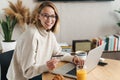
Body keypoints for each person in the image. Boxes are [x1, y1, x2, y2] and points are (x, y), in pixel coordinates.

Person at [7, 1, 84, 80]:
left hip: (37, 74)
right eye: (46, 15)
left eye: (53, 16)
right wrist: (46, 66)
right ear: (38, 16)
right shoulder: (31, 35)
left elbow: (58, 54)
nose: (49, 19)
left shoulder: (49, 34)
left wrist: (72, 58)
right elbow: (27, 72)